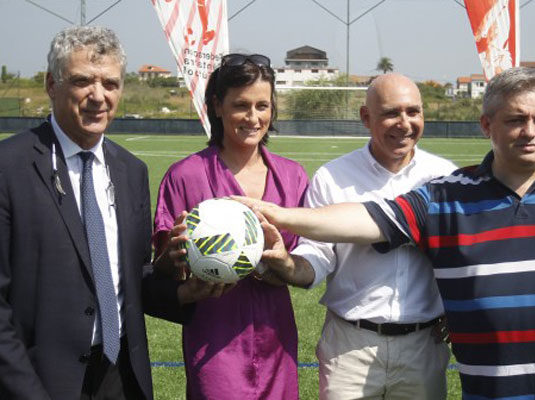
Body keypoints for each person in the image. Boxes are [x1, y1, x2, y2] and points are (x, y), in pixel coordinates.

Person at [237, 67, 535, 399]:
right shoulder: (440, 190)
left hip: (430, 345)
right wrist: (281, 230)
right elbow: (361, 223)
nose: (530, 131)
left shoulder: (446, 176)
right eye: (517, 119)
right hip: (359, 344)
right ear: (487, 125)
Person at [0, 26, 212, 400]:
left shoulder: (131, 171)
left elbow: (128, 278)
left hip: (120, 377)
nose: (98, 96)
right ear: (52, 84)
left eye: (110, 84)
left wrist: (179, 286)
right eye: (82, 81)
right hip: (40, 381)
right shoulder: (9, 167)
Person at [259, 73, 455, 399]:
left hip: (423, 346)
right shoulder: (334, 176)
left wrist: (457, 307)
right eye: (391, 113)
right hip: (350, 346)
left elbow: (459, 256)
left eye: (413, 112)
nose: (404, 123)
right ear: (366, 117)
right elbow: (318, 256)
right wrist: (285, 262)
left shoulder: (444, 176)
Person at [153, 53, 309, 399]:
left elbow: (309, 262)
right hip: (213, 341)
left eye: (263, 106)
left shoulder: (293, 176)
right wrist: (176, 255)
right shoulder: (185, 176)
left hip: (277, 340)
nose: (254, 117)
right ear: (217, 106)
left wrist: (282, 265)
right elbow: (160, 269)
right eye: (241, 105)